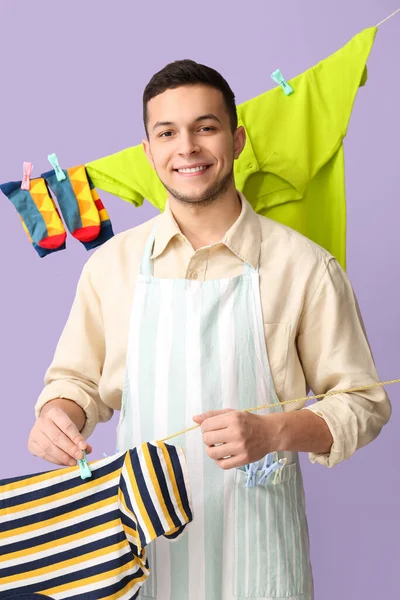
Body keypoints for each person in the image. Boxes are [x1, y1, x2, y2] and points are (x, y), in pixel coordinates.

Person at [28, 59, 391, 600]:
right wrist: (57, 415)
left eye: (206, 127)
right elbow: (77, 382)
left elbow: (362, 402)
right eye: (167, 132)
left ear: (238, 139)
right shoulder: (111, 267)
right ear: (148, 151)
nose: (188, 147)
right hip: (142, 549)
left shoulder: (305, 266)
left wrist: (275, 433)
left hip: (261, 546)